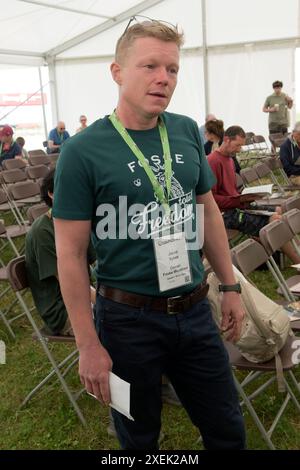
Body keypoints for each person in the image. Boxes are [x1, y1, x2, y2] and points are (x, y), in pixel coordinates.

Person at [52, 18, 246, 450]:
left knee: (227, 427)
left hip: (195, 309)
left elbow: (208, 211)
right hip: (126, 321)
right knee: (138, 437)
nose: (163, 78)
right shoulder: (82, 151)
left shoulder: (185, 130)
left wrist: (230, 285)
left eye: (173, 69)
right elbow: (69, 253)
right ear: (117, 71)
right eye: (149, 66)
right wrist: (88, 344)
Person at [208, 125, 300, 264]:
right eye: (237, 145)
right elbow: (211, 199)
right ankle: (296, 260)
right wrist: (239, 200)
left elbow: (230, 191)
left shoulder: (230, 160)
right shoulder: (213, 161)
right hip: (226, 214)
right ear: (226, 139)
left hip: (238, 206)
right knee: (275, 220)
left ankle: (289, 254)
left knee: (278, 210)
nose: (239, 149)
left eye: (241, 146)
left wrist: (247, 196)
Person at [25, 169, 96, 336]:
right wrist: (108, 304)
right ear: (51, 194)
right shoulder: (42, 232)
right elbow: (72, 282)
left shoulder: (75, 222)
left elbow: (99, 262)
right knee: (125, 322)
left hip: (85, 297)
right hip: (64, 310)